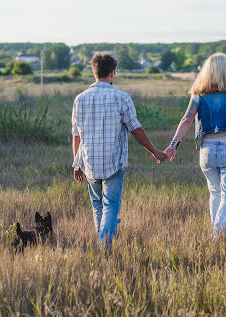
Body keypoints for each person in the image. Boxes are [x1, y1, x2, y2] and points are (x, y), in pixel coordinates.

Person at [72, 52, 167, 249]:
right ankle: (103, 246)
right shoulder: (121, 97)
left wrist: (77, 163)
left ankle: (102, 246)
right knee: (111, 207)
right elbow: (136, 130)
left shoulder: (80, 99)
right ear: (113, 73)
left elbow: (76, 135)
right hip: (114, 162)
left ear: (94, 71)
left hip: (89, 162)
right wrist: (154, 151)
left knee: (98, 207)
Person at [164, 52, 226, 236]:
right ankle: (218, 232)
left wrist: (173, 145)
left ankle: (217, 235)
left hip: (206, 151)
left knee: (215, 193)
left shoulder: (199, 94)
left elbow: (186, 119)